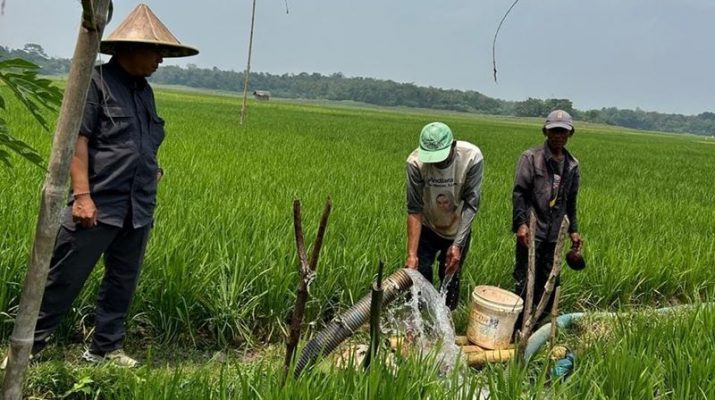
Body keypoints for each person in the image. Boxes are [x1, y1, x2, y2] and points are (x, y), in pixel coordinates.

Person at [1, 4, 197, 369]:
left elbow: (141, 140)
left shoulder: (144, 92)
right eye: (155, 51)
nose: (160, 60)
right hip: (97, 205)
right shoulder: (96, 83)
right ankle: (26, 350)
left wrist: (152, 169)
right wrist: (83, 197)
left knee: (122, 283)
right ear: (128, 49)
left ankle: (105, 349)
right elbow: (78, 140)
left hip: (137, 207)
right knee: (63, 278)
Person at [512, 110, 582, 326]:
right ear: (546, 131)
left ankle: (541, 328)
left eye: (563, 131)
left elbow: (571, 201)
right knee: (525, 280)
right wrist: (521, 225)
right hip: (533, 231)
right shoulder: (531, 158)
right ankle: (518, 328)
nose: (558, 135)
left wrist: (574, 230)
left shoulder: (572, 165)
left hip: (555, 235)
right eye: (554, 131)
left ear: (570, 134)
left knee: (550, 281)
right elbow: (519, 193)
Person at [405, 122, 484, 310]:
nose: (436, 163)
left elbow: (471, 205)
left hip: (457, 228)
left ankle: (446, 323)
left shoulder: (471, 157)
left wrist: (457, 244)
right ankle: (416, 323)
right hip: (428, 225)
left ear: (453, 145)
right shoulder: (415, 162)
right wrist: (411, 255)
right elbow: (415, 208)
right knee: (418, 274)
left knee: (450, 276)